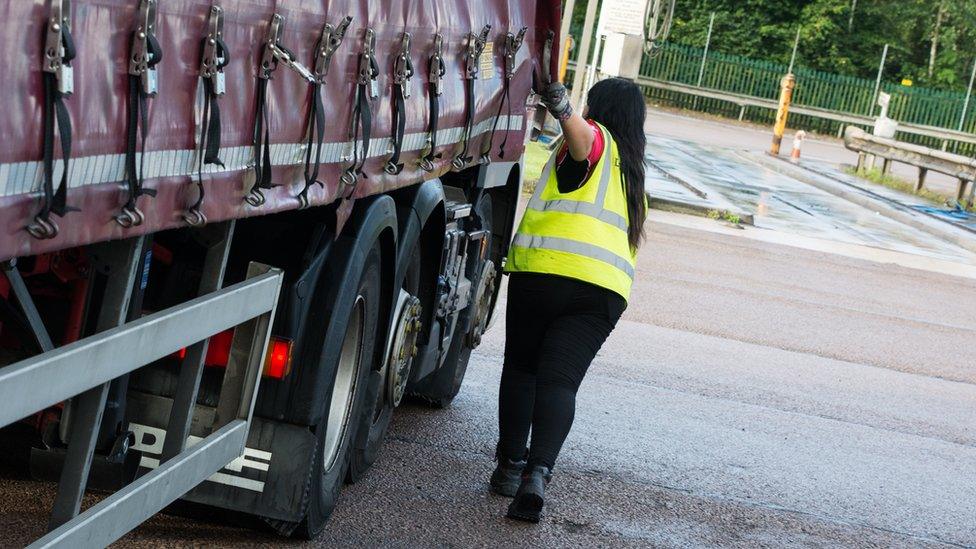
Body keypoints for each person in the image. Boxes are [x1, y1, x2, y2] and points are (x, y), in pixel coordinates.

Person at [490, 76, 648, 523]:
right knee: (560, 383)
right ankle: (537, 475)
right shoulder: (634, 175)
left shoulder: (598, 142)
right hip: (603, 293)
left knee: (522, 368)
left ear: (600, 110)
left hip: (545, 274)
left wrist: (561, 105)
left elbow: (582, 140)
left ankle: (508, 468)